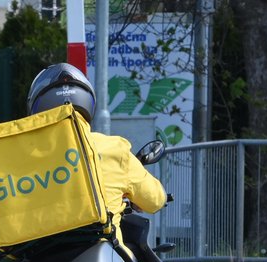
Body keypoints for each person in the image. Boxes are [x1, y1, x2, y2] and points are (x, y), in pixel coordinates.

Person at [26, 63, 167, 245]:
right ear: (87, 103)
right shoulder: (114, 149)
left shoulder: (28, 157)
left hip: (42, 254)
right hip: (106, 250)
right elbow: (154, 200)